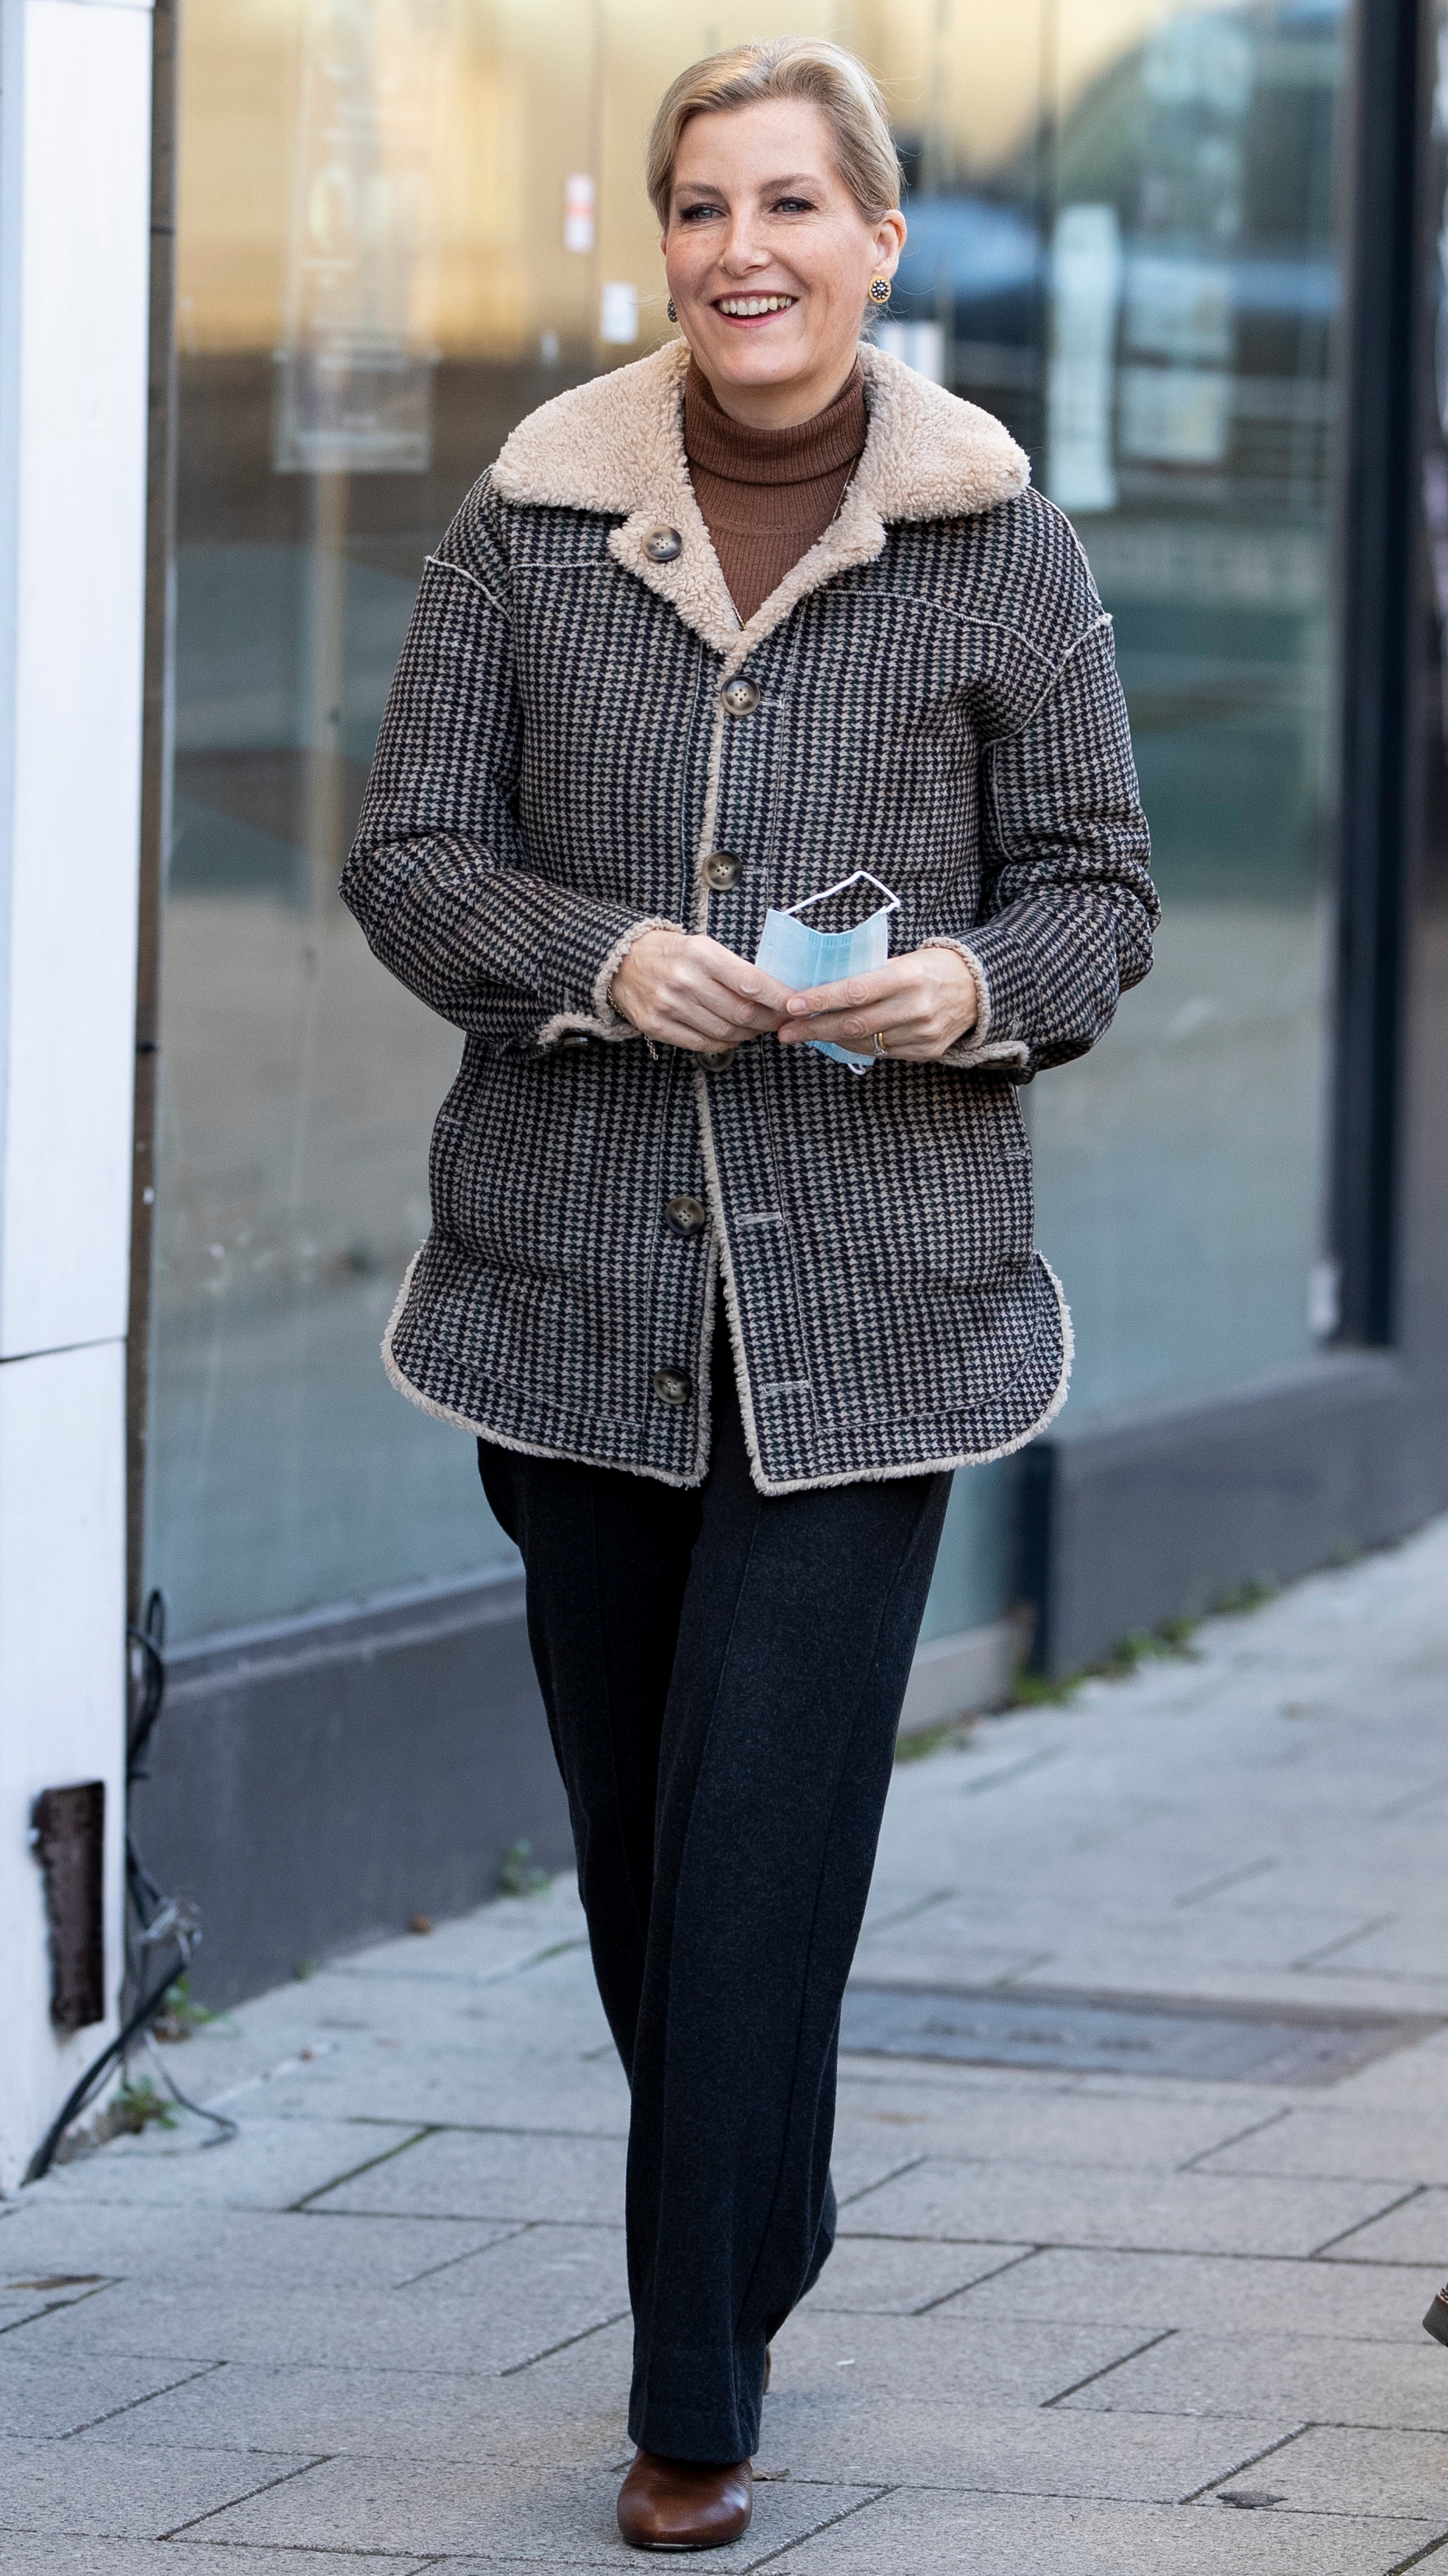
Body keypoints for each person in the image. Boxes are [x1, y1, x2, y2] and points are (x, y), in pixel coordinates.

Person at [342, 34, 1157, 2553]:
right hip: (569, 1299)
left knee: (759, 1838)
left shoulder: (997, 542)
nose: (743, 249)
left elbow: (1102, 890)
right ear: (664, 241)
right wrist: (599, 956)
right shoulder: (530, 521)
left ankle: (693, 2378)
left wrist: (969, 990)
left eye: (793, 202)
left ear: (877, 241)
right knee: (642, 1854)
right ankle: (751, 2221)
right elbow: (405, 856)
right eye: (701, 205)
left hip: (880, 1309)